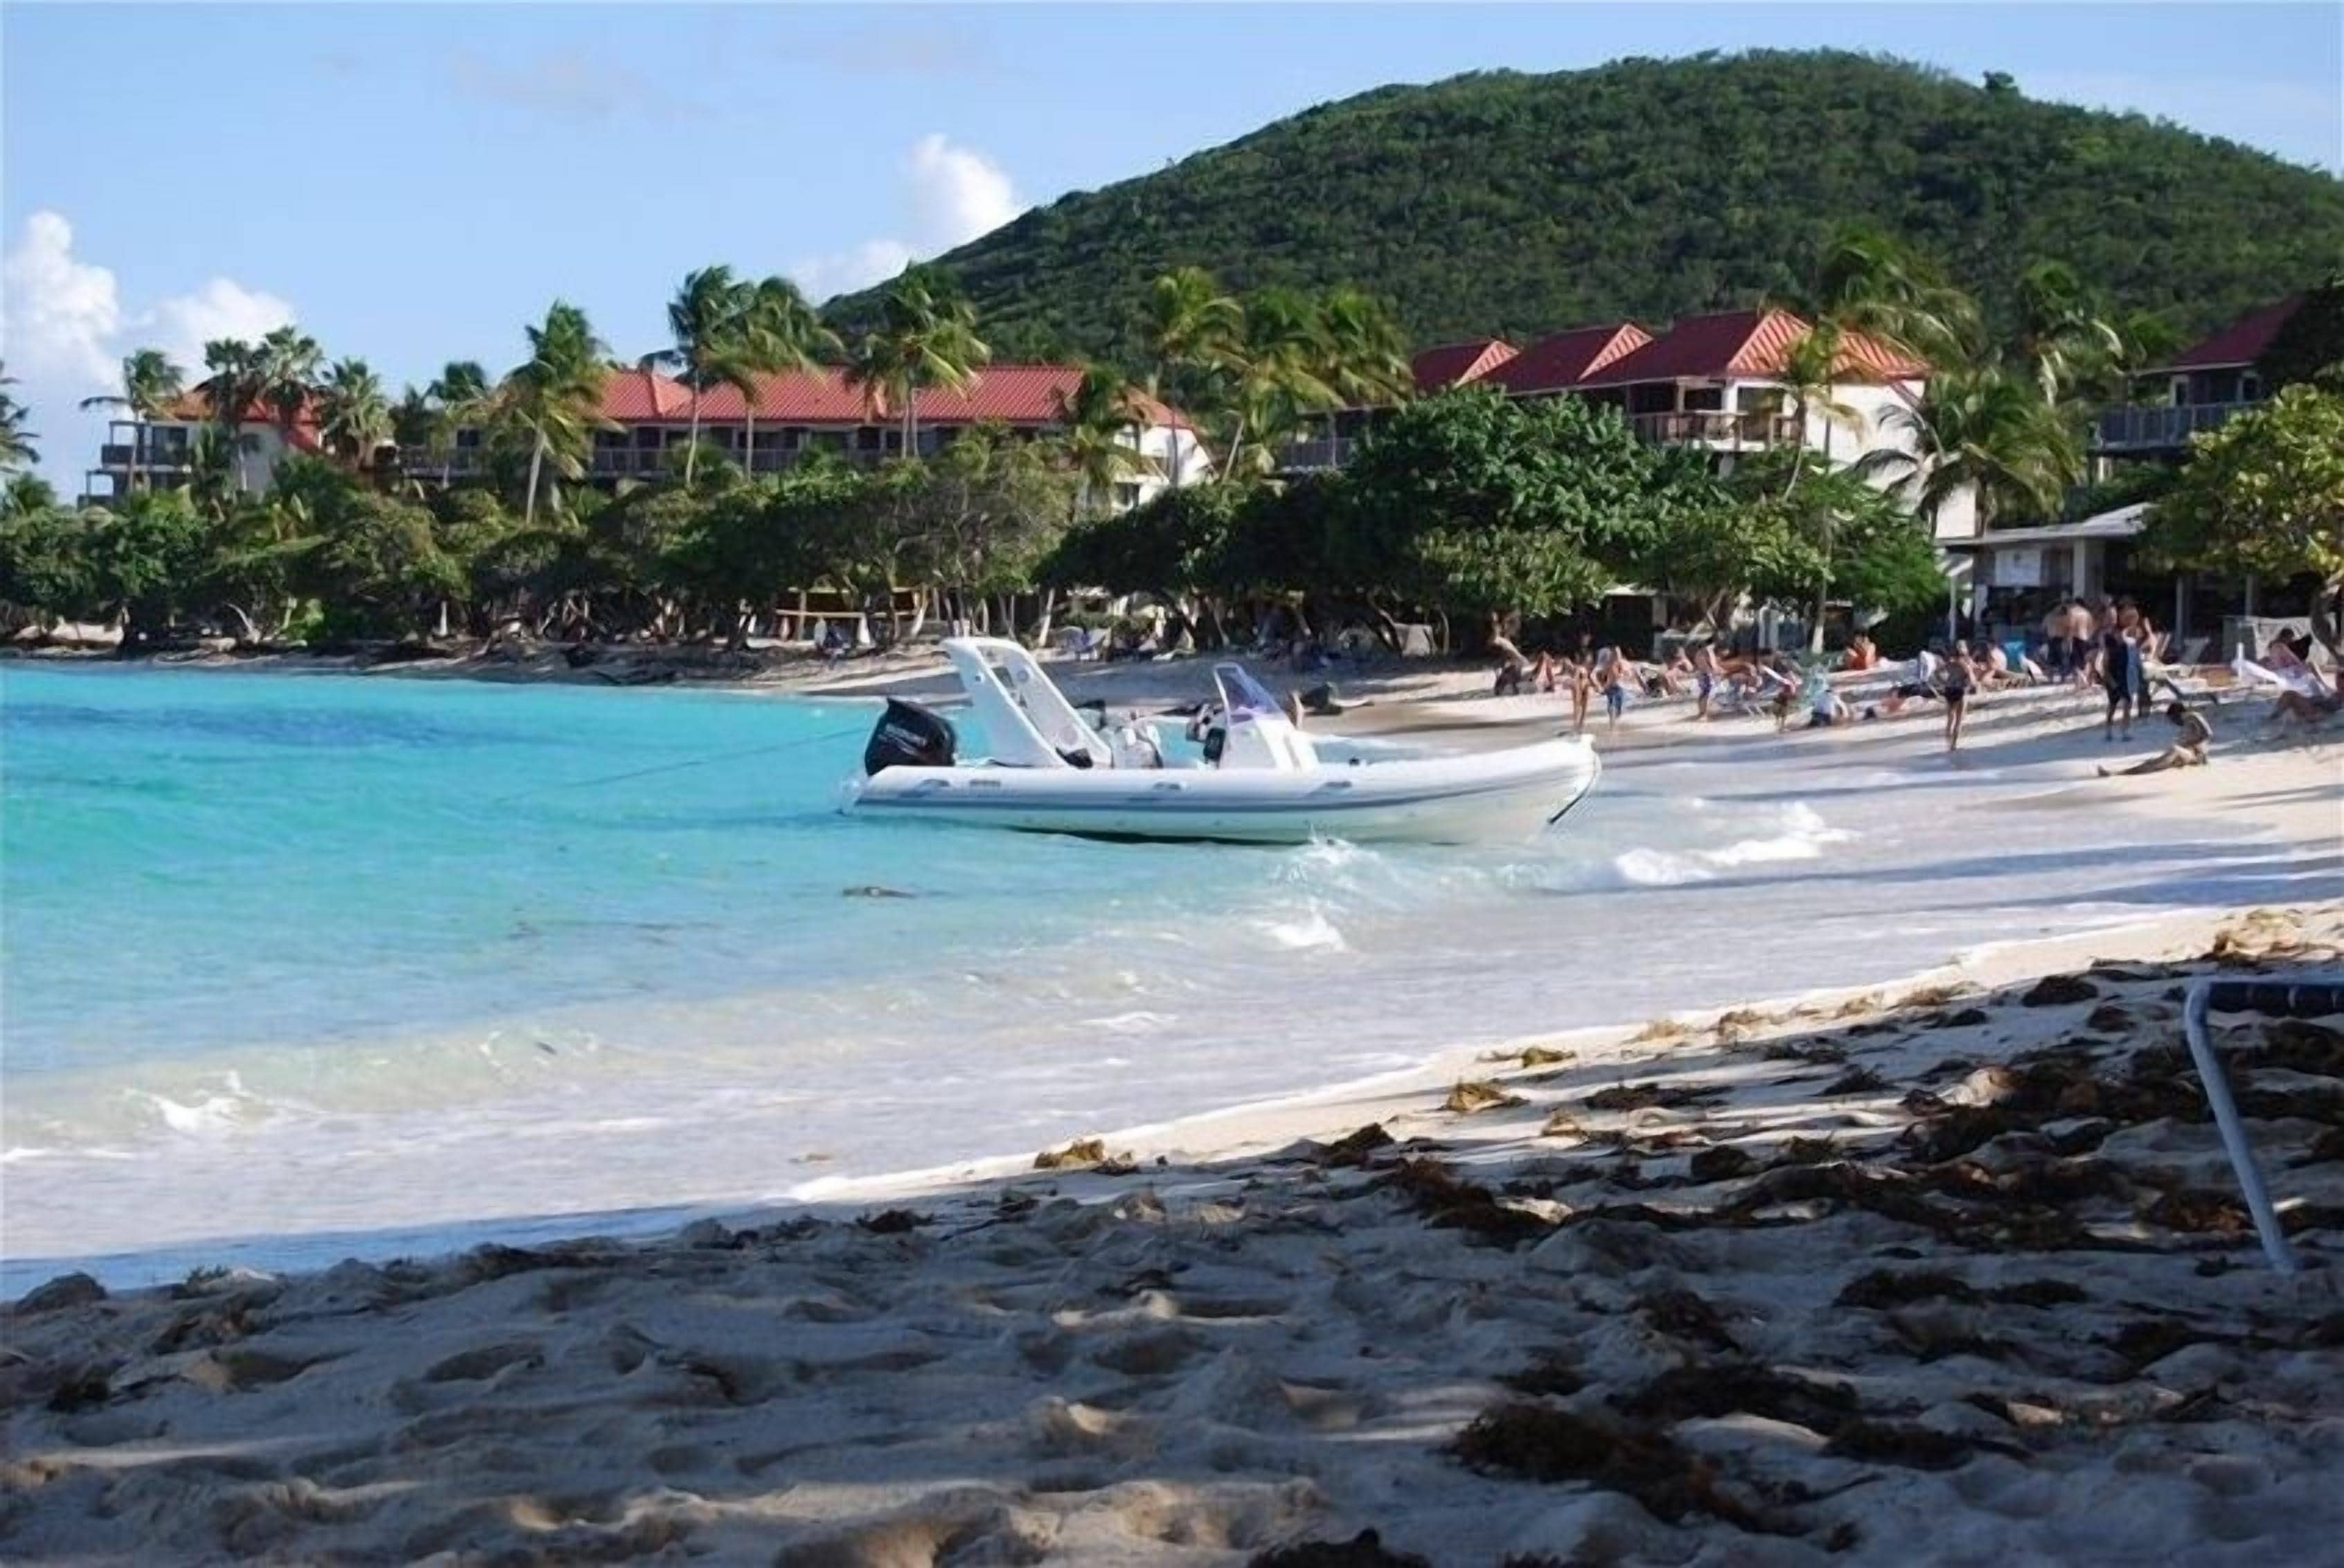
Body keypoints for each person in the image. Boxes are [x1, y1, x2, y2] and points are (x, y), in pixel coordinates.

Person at [2099, 702, 2213, 776]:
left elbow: (2208, 734)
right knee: (2152, 762)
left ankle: (2118, 773)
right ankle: (2118, 772)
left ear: (2177, 714)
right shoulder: (2187, 723)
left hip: (2197, 755)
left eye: (2173, 719)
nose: (2174, 722)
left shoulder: (2193, 716)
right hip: (2188, 754)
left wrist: (2190, 744)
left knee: (2170, 753)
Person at [2098, 604, 2143, 742]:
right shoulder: (2107, 637)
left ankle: (2126, 731)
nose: (2112, 619)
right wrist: (2107, 676)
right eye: (2109, 616)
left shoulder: (2128, 632)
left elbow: (2136, 649)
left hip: (2126, 672)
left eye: (2114, 616)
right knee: (2113, 704)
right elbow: (2105, 659)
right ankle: (2109, 728)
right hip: (2112, 672)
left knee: (2128, 702)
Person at [1939, 641, 1975, 753]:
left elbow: (1937, 672)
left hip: (1949, 688)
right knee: (1959, 720)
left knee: (1950, 719)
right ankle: (1953, 746)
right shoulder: (1966, 662)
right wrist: (1971, 684)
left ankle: (1948, 744)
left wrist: (1944, 681)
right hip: (1960, 689)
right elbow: (1971, 678)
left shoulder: (1950, 662)